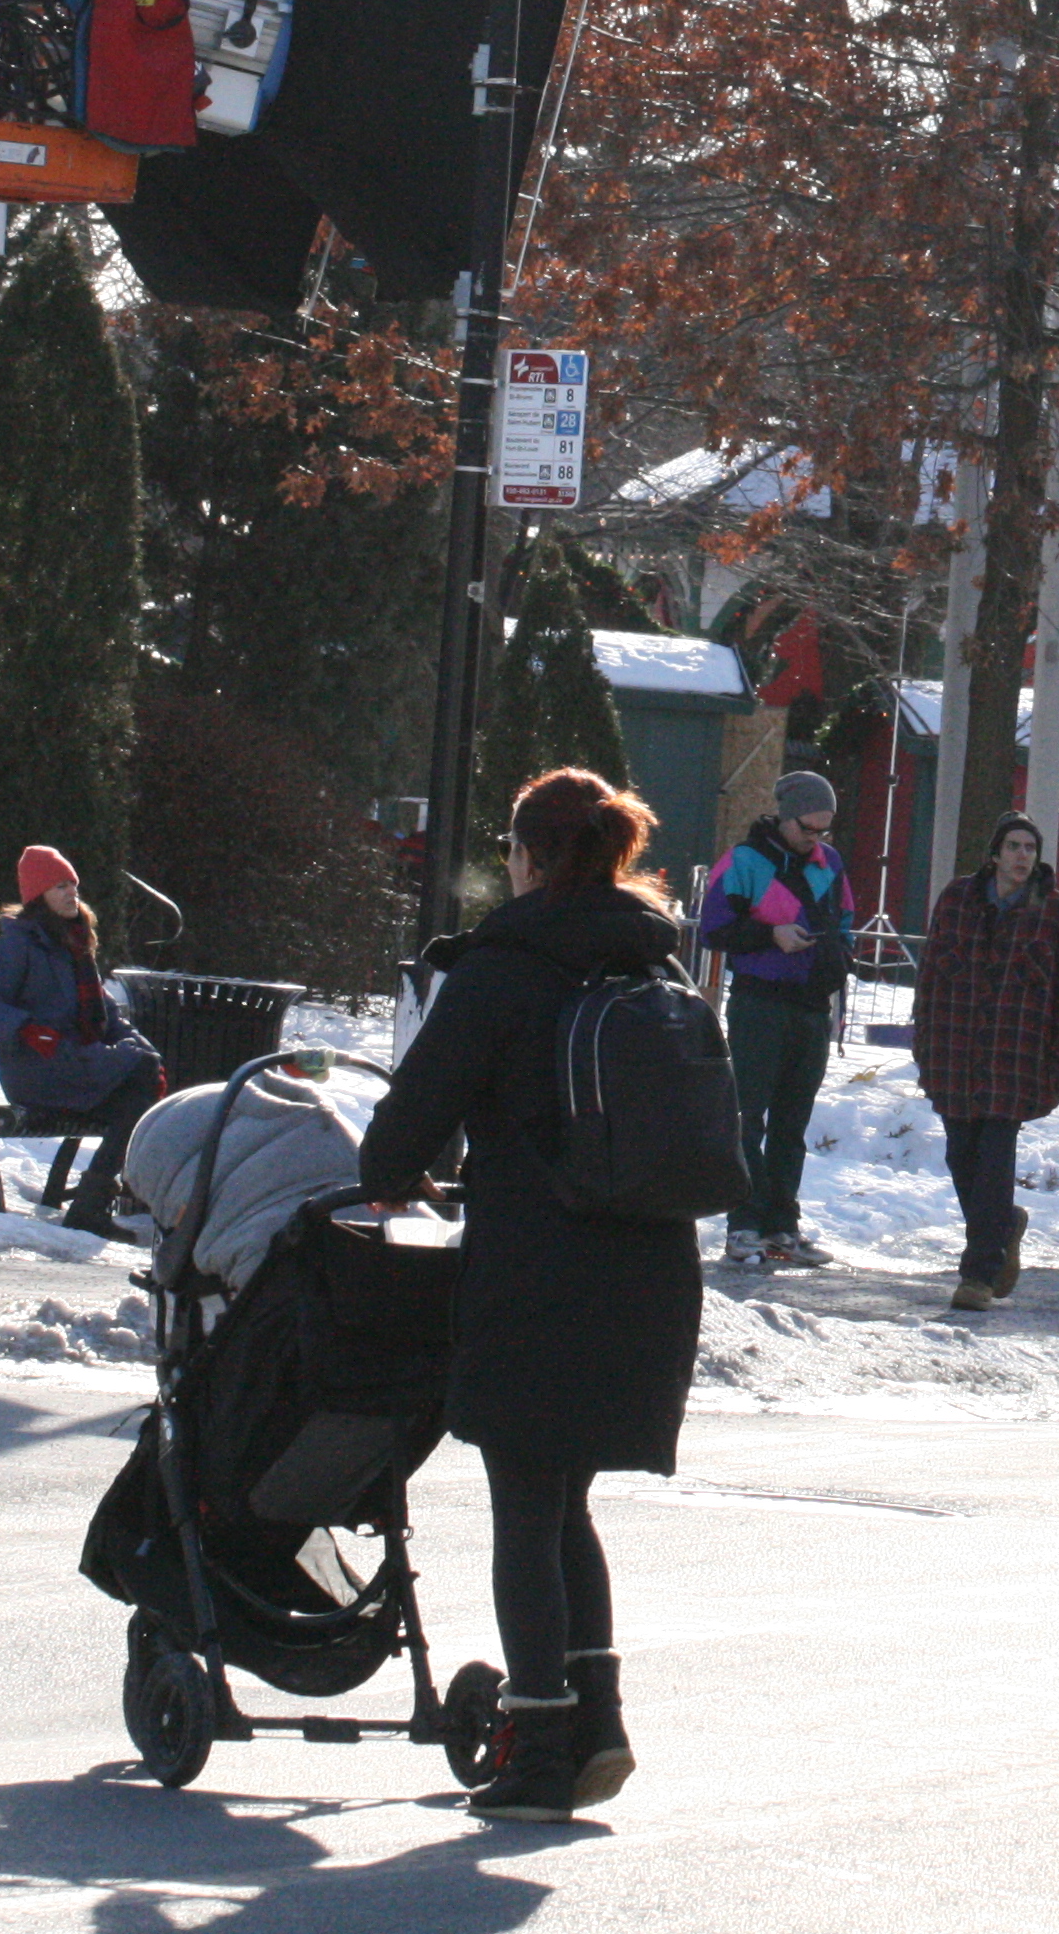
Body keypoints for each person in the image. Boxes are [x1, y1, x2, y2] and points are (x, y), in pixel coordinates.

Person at [358, 767, 701, 1822]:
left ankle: (541, 1743)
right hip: (648, 1272)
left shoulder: (503, 969)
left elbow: (398, 1143)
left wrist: (405, 1170)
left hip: (538, 1270)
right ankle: (595, 1721)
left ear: (527, 854)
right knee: (567, 1506)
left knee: (526, 1506)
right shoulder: (659, 966)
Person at [911, 813, 1059, 1313]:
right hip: (954, 1053)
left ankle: (979, 1274)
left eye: (1030, 847)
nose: (1022, 855)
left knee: (992, 1162)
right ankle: (1003, 1226)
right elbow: (930, 978)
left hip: (1014, 1060)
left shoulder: (1053, 911)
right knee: (960, 1156)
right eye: (1013, 845)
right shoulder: (956, 900)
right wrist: (923, 1042)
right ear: (994, 853)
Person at [695, 768, 859, 1273]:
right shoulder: (743, 862)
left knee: (793, 1123)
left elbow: (847, 919)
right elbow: (712, 929)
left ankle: (783, 1225)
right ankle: (744, 1224)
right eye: (808, 828)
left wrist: (839, 957)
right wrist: (772, 937)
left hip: (813, 1007)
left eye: (824, 830)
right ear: (786, 818)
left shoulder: (829, 863)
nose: (816, 839)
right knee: (748, 1116)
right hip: (759, 1005)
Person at [0, 844, 164, 1240]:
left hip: (75, 1063)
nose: (71, 893)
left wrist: (147, 1052)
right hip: (38, 1068)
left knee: (138, 1096)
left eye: (73, 884)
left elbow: (108, 1016)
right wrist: (25, 1029)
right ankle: (93, 1204)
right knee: (139, 1077)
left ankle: (91, 1204)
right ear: (39, 898)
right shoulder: (18, 945)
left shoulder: (74, 944)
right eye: (59, 887)